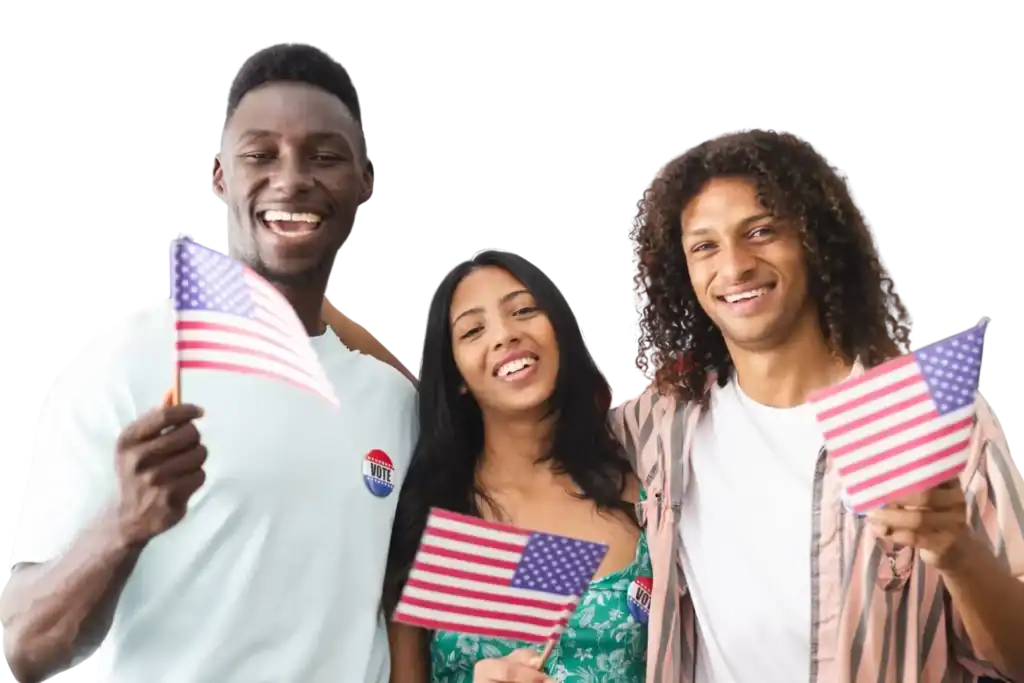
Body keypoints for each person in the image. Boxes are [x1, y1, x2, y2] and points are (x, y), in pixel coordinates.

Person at [5, 41, 416, 683]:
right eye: (260, 154)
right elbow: (19, 646)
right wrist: (123, 525)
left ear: (363, 179)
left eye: (324, 156)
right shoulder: (130, 359)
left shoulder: (393, 403)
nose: (290, 178)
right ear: (219, 175)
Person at [613, 127, 1024, 683]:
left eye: (760, 231)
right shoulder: (658, 426)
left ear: (813, 242)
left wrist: (958, 553)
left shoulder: (936, 420)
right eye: (705, 246)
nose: (734, 267)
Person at [377, 247, 650, 683]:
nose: (504, 335)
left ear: (558, 329)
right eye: (472, 331)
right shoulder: (426, 515)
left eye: (523, 310)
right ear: (457, 377)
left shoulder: (642, 488)